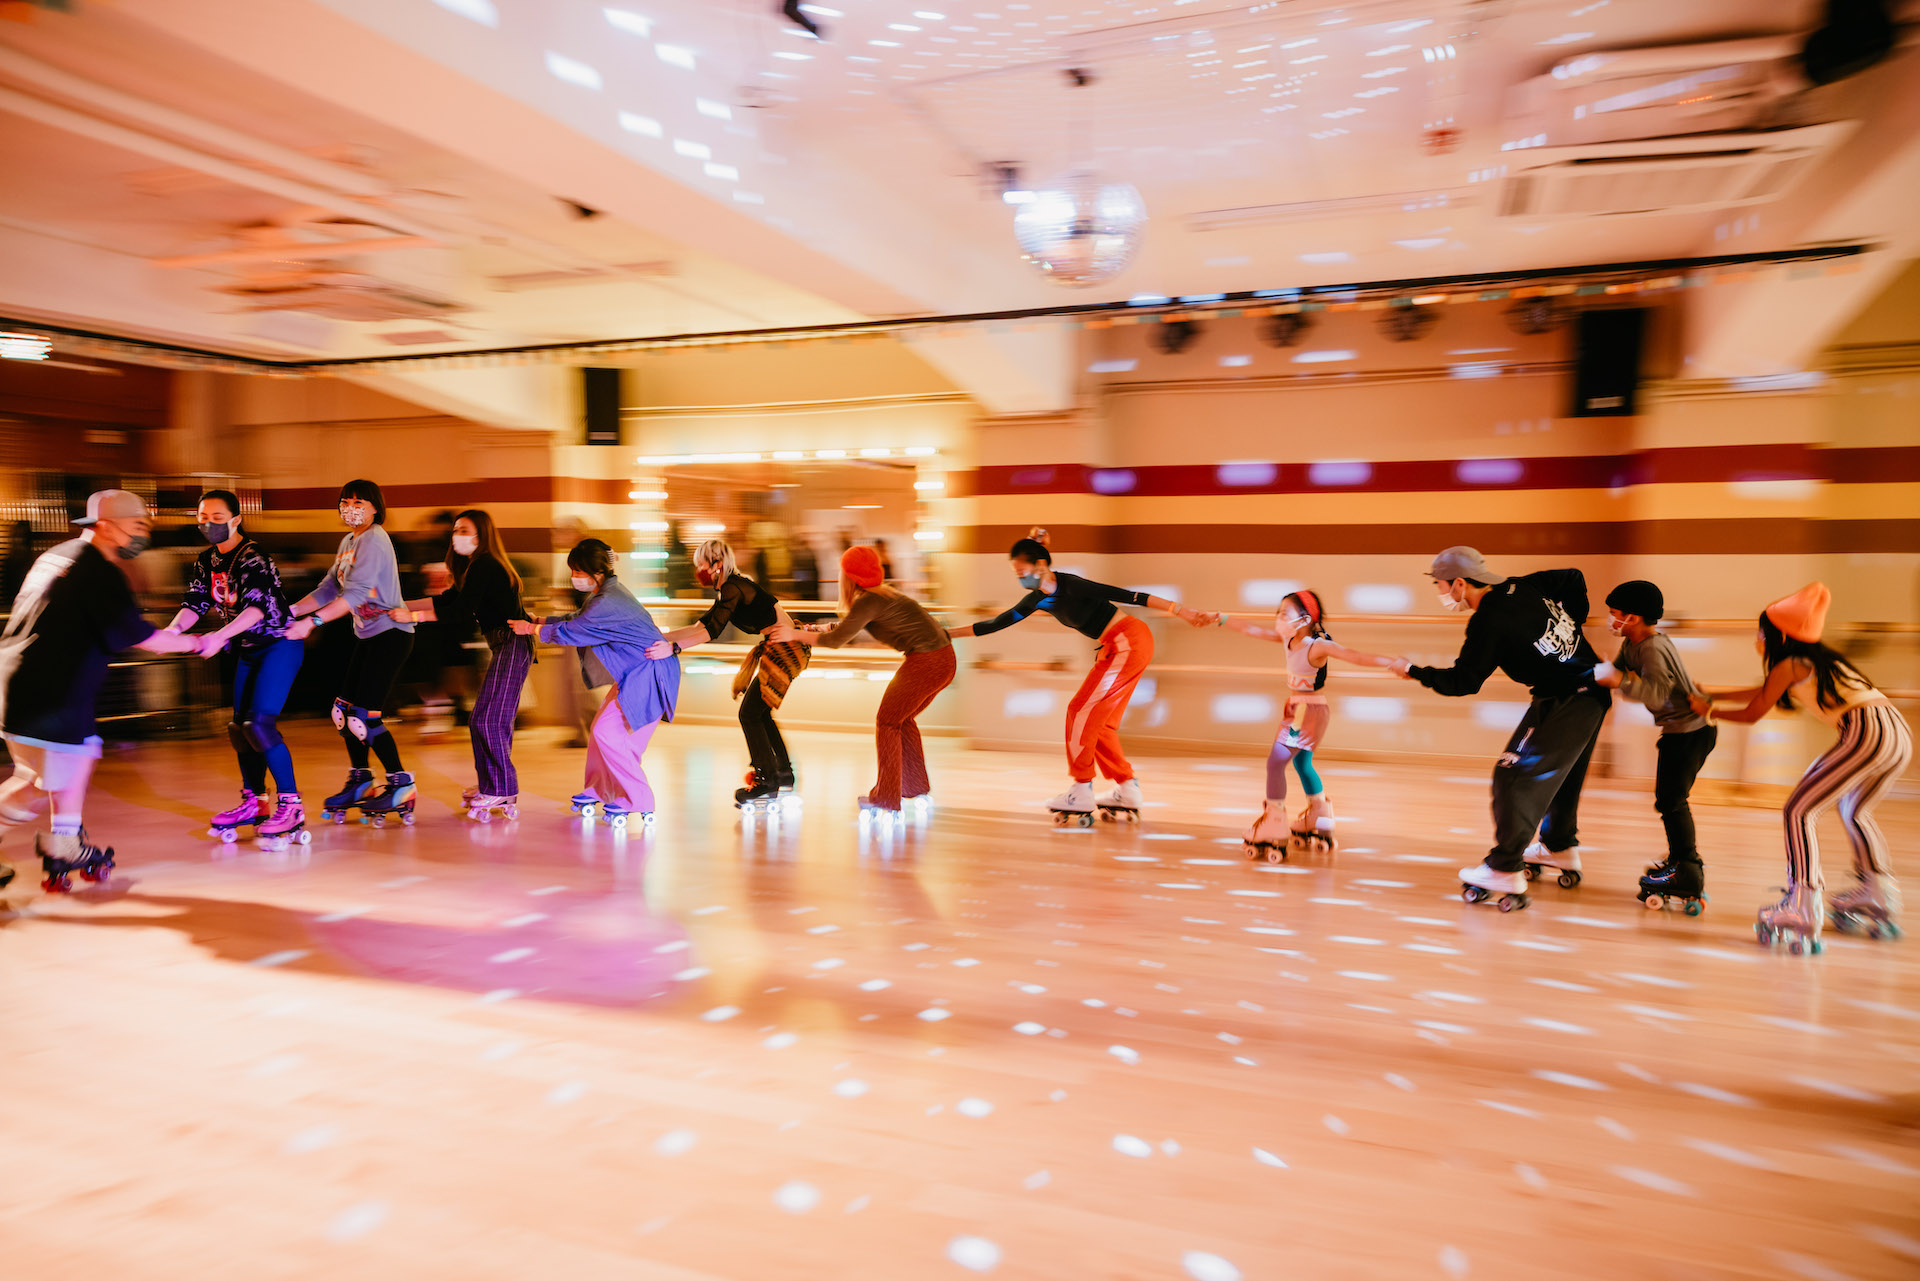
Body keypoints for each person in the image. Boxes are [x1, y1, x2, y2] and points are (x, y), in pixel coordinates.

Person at [1386, 547, 1615, 909]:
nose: (1442, 592)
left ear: (1460, 583)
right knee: (1562, 776)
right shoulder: (1521, 585)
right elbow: (1573, 577)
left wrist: (1412, 671)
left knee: (1512, 775)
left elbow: (1463, 681)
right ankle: (1558, 847)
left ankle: (1505, 866)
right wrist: (1572, 623)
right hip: (1592, 693)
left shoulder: (1487, 620)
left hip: (1566, 700)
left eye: (1442, 585)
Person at [1693, 583, 1910, 953]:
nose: (1757, 637)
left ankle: (1802, 905)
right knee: (1854, 811)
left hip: (1865, 731)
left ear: (1779, 634)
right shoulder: (1814, 661)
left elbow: (1754, 712)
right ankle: (1879, 894)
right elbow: (1764, 691)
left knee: (1798, 809)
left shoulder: (1790, 663)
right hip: (1894, 733)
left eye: (1761, 630)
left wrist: (1709, 710)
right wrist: (1714, 693)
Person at [0, 490, 199, 891]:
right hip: (49, 690)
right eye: (137, 526)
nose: (143, 534)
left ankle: (66, 840)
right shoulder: (99, 571)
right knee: (52, 773)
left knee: (63, 761)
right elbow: (145, 638)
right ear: (105, 525)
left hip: (18, 676)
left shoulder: (57, 555)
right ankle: (65, 843)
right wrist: (199, 643)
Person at [946, 528, 1210, 822]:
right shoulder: (1036, 600)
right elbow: (996, 623)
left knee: (1080, 710)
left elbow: (1131, 596)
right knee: (1101, 723)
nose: (1021, 578)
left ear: (1041, 565)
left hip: (1129, 641)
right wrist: (947, 634)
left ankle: (1081, 788)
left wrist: (1181, 610)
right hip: (1118, 646)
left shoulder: (1072, 584)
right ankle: (1126, 787)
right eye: (1016, 573)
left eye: (1023, 571)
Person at [162, 489, 306, 850]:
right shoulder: (206, 560)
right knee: (239, 728)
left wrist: (219, 635)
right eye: (202, 517)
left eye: (216, 517)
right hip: (247, 649)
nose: (208, 523)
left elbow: (256, 609)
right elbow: (195, 601)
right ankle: (254, 801)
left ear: (236, 519)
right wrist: (173, 630)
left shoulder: (253, 556)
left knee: (259, 724)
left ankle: (291, 805)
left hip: (278, 645)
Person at [1208, 590, 1398, 858]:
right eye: (1279, 612)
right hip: (1302, 709)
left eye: (1286, 613)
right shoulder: (1288, 638)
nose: (1279, 617)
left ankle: (1274, 822)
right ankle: (1319, 815)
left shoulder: (1315, 645)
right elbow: (1252, 630)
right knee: (1302, 763)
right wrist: (1221, 618)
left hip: (1306, 711)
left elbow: (1353, 656)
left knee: (1275, 763)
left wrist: (1392, 662)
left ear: (1305, 619)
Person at [768, 545, 955, 817]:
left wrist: (793, 636)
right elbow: (844, 629)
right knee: (902, 720)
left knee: (888, 721)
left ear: (850, 576)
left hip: (927, 662)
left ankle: (886, 797)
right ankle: (914, 786)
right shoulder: (883, 595)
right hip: (943, 660)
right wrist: (808, 630)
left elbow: (836, 641)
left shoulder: (869, 600)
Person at [512, 539, 679, 826]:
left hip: (649, 674)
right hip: (640, 673)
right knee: (607, 733)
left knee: (607, 732)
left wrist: (532, 629)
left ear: (596, 573)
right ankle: (599, 789)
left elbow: (576, 630)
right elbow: (578, 619)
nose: (574, 577)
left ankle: (638, 797)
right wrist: (541, 619)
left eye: (578, 571)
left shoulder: (608, 600)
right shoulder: (605, 595)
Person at [285, 479, 417, 826]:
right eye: (345, 501)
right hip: (368, 635)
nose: (351, 507)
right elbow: (330, 587)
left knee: (365, 717)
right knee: (343, 713)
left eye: (359, 501)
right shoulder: (348, 541)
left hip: (391, 634)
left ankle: (402, 784)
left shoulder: (375, 539)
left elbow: (357, 594)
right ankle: (361, 781)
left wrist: (312, 622)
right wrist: (290, 611)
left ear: (375, 507)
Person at [392, 509, 532, 822]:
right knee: (482, 719)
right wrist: (398, 606)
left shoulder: (485, 564)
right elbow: (447, 600)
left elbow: (460, 612)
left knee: (488, 721)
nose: (457, 534)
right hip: (505, 645)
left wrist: (411, 616)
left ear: (480, 534)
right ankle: (492, 785)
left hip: (512, 644)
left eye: (464, 529)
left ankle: (502, 787)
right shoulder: (475, 566)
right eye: (456, 529)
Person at [649, 539, 807, 807]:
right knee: (759, 712)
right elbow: (700, 624)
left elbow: (712, 632)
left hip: (786, 649)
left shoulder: (733, 587)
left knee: (749, 713)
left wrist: (672, 648)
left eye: (702, 564)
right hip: (781, 647)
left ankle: (767, 781)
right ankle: (781, 774)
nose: (698, 570)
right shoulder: (728, 589)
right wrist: (660, 637)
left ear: (717, 564)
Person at [1591, 580, 1715, 912]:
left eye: (1614, 614)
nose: (1611, 619)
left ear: (1632, 617)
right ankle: (1680, 862)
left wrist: (1619, 681)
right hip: (1680, 732)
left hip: (1690, 733)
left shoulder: (1651, 648)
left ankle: (1687, 872)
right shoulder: (1633, 644)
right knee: (1669, 800)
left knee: (1671, 801)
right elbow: (1616, 670)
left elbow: (1657, 692)